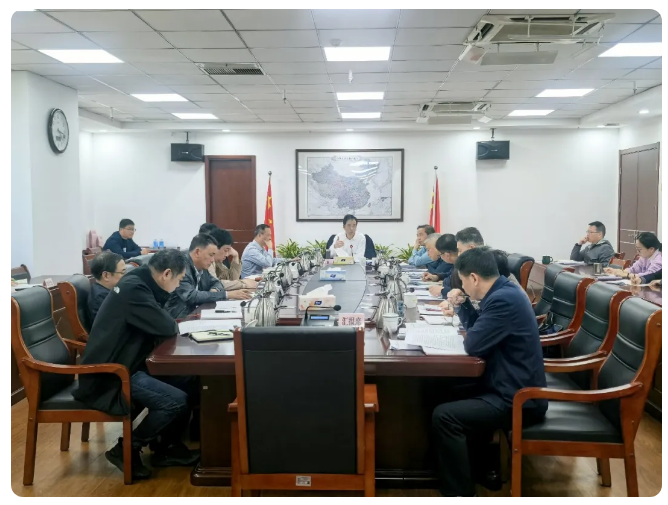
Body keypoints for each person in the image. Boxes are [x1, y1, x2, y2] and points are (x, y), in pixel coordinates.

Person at [73, 250, 198, 480]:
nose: (179, 285)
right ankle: (125, 448)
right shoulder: (135, 289)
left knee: (187, 380)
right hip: (111, 374)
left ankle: (166, 448)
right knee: (174, 401)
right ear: (166, 274)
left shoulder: (140, 281)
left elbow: (163, 321)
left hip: (130, 363)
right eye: (179, 280)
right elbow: (167, 326)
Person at [432, 248, 547, 497]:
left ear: (474, 278)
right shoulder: (504, 291)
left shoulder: (502, 300)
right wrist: (464, 304)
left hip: (518, 398)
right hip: (508, 382)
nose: (462, 286)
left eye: (463, 281)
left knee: (445, 416)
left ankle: (460, 494)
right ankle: (481, 469)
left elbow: (474, 344)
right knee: (444, 389)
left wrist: (464, 307)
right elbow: (480, 332)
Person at [165, 234, 251, 318]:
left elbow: (217, 282)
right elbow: (191, 296)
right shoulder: (181, 266)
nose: (213, 260)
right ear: (197, 252)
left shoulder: (201, 266)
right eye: (211, 255)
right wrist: (226, 294)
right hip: (178, 319)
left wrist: (214, 291)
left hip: (197, 313)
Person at [88, 251, 126, 321]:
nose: (125, 276)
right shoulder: (102, 298)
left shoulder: (106, 290)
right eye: (122, 272)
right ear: (106, 276)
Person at [429, 234, 458, 298]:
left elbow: (463, 292)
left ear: (447, 255)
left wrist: (442, 290)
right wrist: (438, 277)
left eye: (440, 255)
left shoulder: (462, 266)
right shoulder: (455, 264)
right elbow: (450, 275)